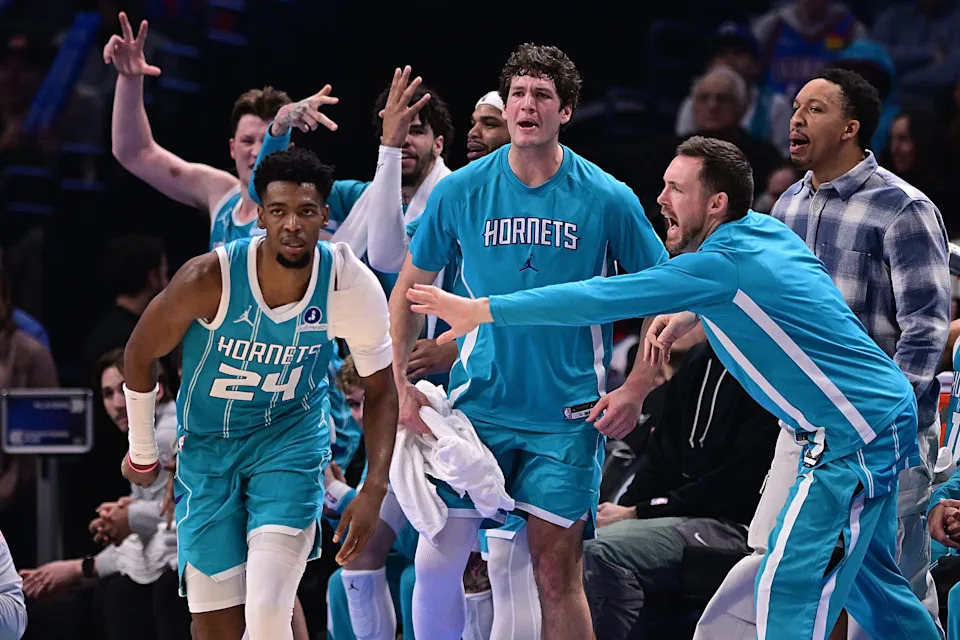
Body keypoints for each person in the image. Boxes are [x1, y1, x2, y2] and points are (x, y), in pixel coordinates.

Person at [406, 136, 941, 640]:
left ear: (715, 204)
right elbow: (789, 292)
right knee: (876, 588)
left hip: (850, 432)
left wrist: (481, 309)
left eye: (676, 190)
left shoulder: (719, 264)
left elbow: (598, 297)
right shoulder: (762, 231)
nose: (660, 198)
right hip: (871, 415)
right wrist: (696, 310)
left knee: (787, 584)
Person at [391, 43, 668, 640]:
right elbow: (407, 291)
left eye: (542, 95)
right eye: (517, 93)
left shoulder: (607, 196)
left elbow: (665, 298)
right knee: (440, 557)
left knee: (553, 573)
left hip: (564, 415)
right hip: (478, 407)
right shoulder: (460, 191)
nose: (526, 105)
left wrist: (637, 388)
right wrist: (402, 388)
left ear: (565, 110)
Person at [119, 148, 398, 639]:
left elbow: (381, 389)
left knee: (269, 612)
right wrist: (142, 452)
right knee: (216, 629)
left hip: (289, 443)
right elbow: (139, 353)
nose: (292, 224)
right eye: (279, 211)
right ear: (261, 217)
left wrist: (374, 487)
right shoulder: (209, 278)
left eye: (306, 212)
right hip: (209, 449)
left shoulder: (348, 283)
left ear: (325, 217)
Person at [776, 68, 950, 636]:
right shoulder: (786, 208)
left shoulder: (904, 208)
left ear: (851, 127)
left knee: (891, 585)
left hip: (883, 434)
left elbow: (925, 329)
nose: (797, 118)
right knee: (798, 577)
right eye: (797, 106)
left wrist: (889, 423)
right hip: (806, 431)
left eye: (815, 109)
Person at [583, 340, 779, 640]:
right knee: (575, 539)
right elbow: (661, 453)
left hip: (733, 523)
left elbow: (737, 485)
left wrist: (639, 512)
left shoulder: (769, 369)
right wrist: (626, 509)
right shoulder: (700, 359)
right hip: (676, 513)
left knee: (598, 551)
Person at [103, 12, 336, 250]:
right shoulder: (220, 193)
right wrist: (129, 78)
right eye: (247, 141)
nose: (257, 151)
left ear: (287, 151)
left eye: (265, 140)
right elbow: (135, 152)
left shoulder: (302, 218)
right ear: (232, 148)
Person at [19, 348, 191, 640]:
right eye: (107, 394)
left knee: (121, 595)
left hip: (198, 567)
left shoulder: (164, 435)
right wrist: (126, 515)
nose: (115, 404)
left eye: (123, 391)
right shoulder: (146, 432)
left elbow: (175, 524)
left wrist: (129, 518)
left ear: (156, 390)